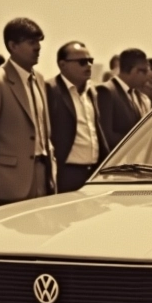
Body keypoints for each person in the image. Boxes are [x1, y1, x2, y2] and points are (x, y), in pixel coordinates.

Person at [0, 18, 56, 209]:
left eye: (39, 42)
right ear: (12, 46)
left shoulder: (39, 79)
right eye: (31, 42)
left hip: (41, 177)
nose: (38, 47)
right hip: (5, 184)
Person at [46, 41, 109, 192]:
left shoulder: (91, 92)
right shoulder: (50, 90)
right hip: (66, 173)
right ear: (63, 65)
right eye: (82, 62)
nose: (88, 65)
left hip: (93, 172)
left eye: (90, 61)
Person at [96, 48, 151, 150]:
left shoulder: (136, 95)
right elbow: (105, 136)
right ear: (135, 71)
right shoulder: (106, 92)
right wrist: (136, 143)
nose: (147, 77)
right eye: (145, 71)